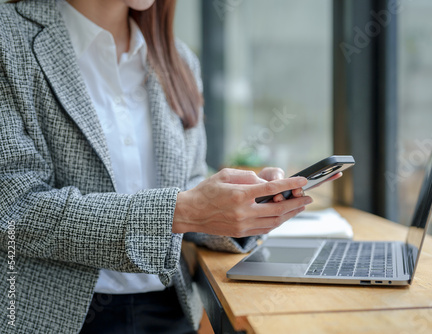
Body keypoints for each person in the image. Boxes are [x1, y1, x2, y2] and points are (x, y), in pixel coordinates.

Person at [0, 0, 340, 332]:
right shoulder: (9, 36)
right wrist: (181, 211)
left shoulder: (178, 60)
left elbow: (188, 188)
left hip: (169, 308)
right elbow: (12, 209)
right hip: (49, 315)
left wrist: (243, 200)